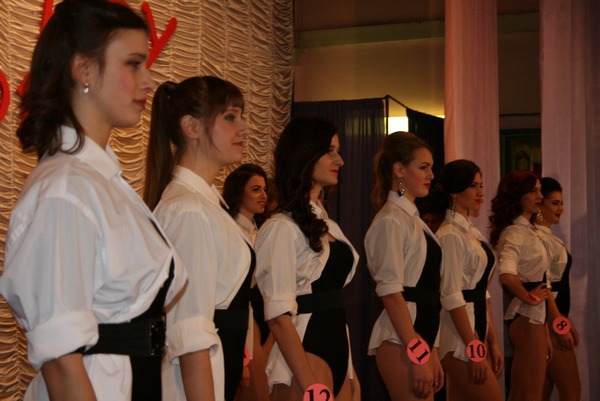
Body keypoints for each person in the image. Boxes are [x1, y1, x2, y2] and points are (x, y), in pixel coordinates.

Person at [0, 1, 188, 400]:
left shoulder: (98, 181)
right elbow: (61, 361)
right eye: (133, 64)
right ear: (83, 69)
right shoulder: (64, 190)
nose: (148, 81)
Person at [144, 76, 253, 401]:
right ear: (191, 127)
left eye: (242, 116)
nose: (244, 128)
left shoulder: (204, 205)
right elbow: (189, 332)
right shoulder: (190, 210)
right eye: (230, 117)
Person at [254, 116, 360, 401]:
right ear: (306, 155)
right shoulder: (280, 228)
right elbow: (278, 317)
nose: (340, 160)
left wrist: (351, 373)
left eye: (339, 151)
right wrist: (310, 383)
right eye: (330, 151)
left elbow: (334, 303)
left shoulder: (328, 224)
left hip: (338, 351)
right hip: (305, 353)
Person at [365, 131, 444, 401]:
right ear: (399, 170)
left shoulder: (412, 219)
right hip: (401, 340)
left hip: (419, 338)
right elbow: (390, 292)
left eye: (431, 167)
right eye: (423, 167)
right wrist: (418, 351)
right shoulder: (391, 220)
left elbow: (428, 293)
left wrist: (432, 349)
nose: (431, 175)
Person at [434, 160, 503, 401]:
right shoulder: (450, 235)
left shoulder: (470, 232)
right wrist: (474, 348)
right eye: (473, 186)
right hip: (457, 339)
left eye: (481, 186)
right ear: (454, 192)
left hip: (473, 334)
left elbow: (481, 292)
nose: (480, 192)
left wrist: (492, 342)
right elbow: (452, 296)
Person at [489, 170, 552, 401]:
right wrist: (529, 297)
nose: (539, 197)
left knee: (526, 392)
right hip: (526, 318)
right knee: (529, 394)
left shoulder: (528, 230)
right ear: (517, 195)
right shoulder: (515, 232)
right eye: (533, 191)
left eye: (540, 191)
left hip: (534, 319)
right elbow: (507, 275)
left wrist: (545, 329)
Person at [222, 163, 271, 401]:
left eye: (264, 189)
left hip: (267, 317)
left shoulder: (262, 232)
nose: (263, 195)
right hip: (245, 318)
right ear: (238, 192)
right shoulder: (230, 232)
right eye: (255, 189)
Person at [535, 177, 581, 401]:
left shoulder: (547, 236)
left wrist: (564, 320)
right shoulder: (538, 238)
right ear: (539, 203)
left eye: (562, 203)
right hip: (547, 323)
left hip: (551, 320)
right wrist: (559, 325)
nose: (560, 208)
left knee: (541, 392)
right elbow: (544, 287)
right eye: (554, 203)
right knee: (571, 390)